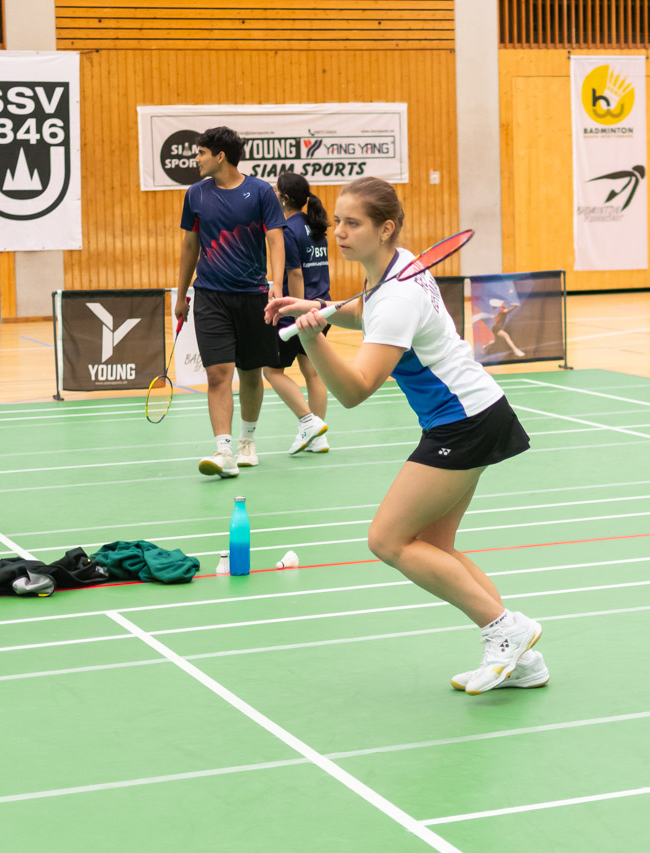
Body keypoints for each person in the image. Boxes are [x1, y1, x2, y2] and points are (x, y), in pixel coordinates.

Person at [264, 177, 546, 695]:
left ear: (385, 228)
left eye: (353, 224)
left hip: (462, 421)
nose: (339, 232)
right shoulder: (398, 267)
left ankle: (506, 630)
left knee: (388, 539)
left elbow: (355, 391)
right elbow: (365, 308)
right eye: (338, 221)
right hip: (474, 413)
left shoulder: (398, 296)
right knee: (435, 546)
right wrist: (318, 307)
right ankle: (523, 658)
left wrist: (314, 340)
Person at [176, 126, 285, 478]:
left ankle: (247, 441)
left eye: (201, 153)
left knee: (250, 373)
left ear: (220, 156)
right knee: (217, 373)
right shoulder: (195, 194)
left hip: (253, 295)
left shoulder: (261, 192)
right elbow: (189, 246)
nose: (196, 159)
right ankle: (223, 449)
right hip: (210, 295)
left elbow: (275, 239)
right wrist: (181, 294)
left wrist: (277, 284)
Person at [264, 173, 331, 454]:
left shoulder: (288, 230)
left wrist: (298, 312)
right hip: (322, 307)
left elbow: (295, 273)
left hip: (299, 312)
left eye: (276, 189)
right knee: (312, 372)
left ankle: (309, 423)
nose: (273, 192)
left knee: (271, 371)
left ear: (285, 198)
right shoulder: (315, 225)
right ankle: (318, 437)